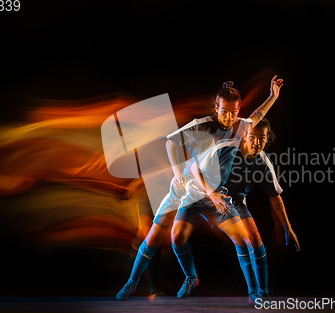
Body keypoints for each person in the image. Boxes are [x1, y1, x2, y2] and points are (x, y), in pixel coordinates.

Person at [116, 76, 284, 300]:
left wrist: (273, 96)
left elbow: (258, 116)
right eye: (225, 111)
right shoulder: (202, 124)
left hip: (214, 194)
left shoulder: (240, 127)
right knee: (158, 237)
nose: (230, 116)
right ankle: (133, 283)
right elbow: (171, 142)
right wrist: (177, 174)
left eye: (234, 111)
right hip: (189, 189)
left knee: (243, 238)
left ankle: (255, 291)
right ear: (216, 107)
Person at [171, 118, 299, 303]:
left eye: (261, 138)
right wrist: (211, 194)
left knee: (251, 238)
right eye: (253, 137)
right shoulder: (226, 147)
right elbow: (193, 166)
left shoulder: (263, 161)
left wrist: (288, 228)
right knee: (176, 238)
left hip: (230, 201)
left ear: (267, 138)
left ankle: (259, 291)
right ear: (245, 136)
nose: (257, 142)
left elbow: (276, 199)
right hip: (200, 195)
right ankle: (192, 277)